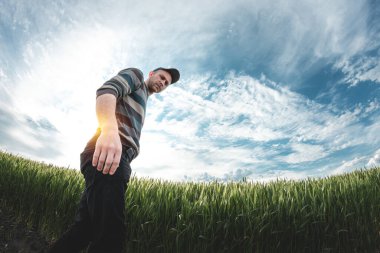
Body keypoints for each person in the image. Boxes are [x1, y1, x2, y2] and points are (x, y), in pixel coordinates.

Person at [48, 67, 180, 253]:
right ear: (152, 74)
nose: (163, 83)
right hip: (109, 153)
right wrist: (109, 131)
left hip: (114, 156)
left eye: (166, 83)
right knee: (111, 236)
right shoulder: (137, 76)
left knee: (84, 230)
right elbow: (107, 90)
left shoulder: (143, 98)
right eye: (162, 77)